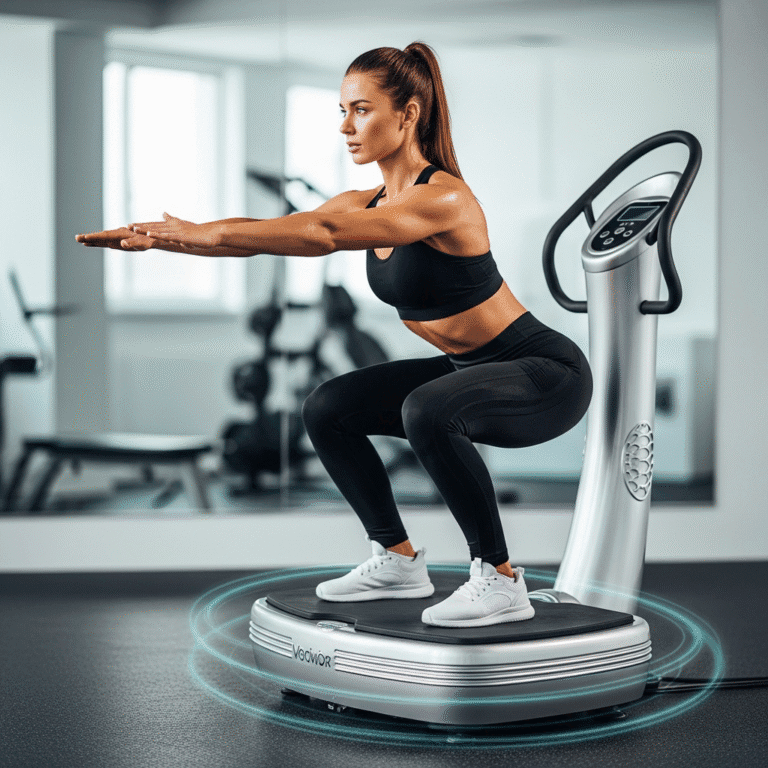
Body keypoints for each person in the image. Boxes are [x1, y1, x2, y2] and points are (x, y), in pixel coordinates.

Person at [76, 42, 592, 629]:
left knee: (425, 409)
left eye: (361, 110)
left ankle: (499, 579)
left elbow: (320, 232)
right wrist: (182, 234)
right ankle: (397, 560)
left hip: (545, 374)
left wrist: (196, 237)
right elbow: (284, 228)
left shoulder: (444, 198)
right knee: (328, 405)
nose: (346, 126)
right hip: (467, 370)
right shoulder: (364, 201)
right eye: (341, 110)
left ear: (408, 114)